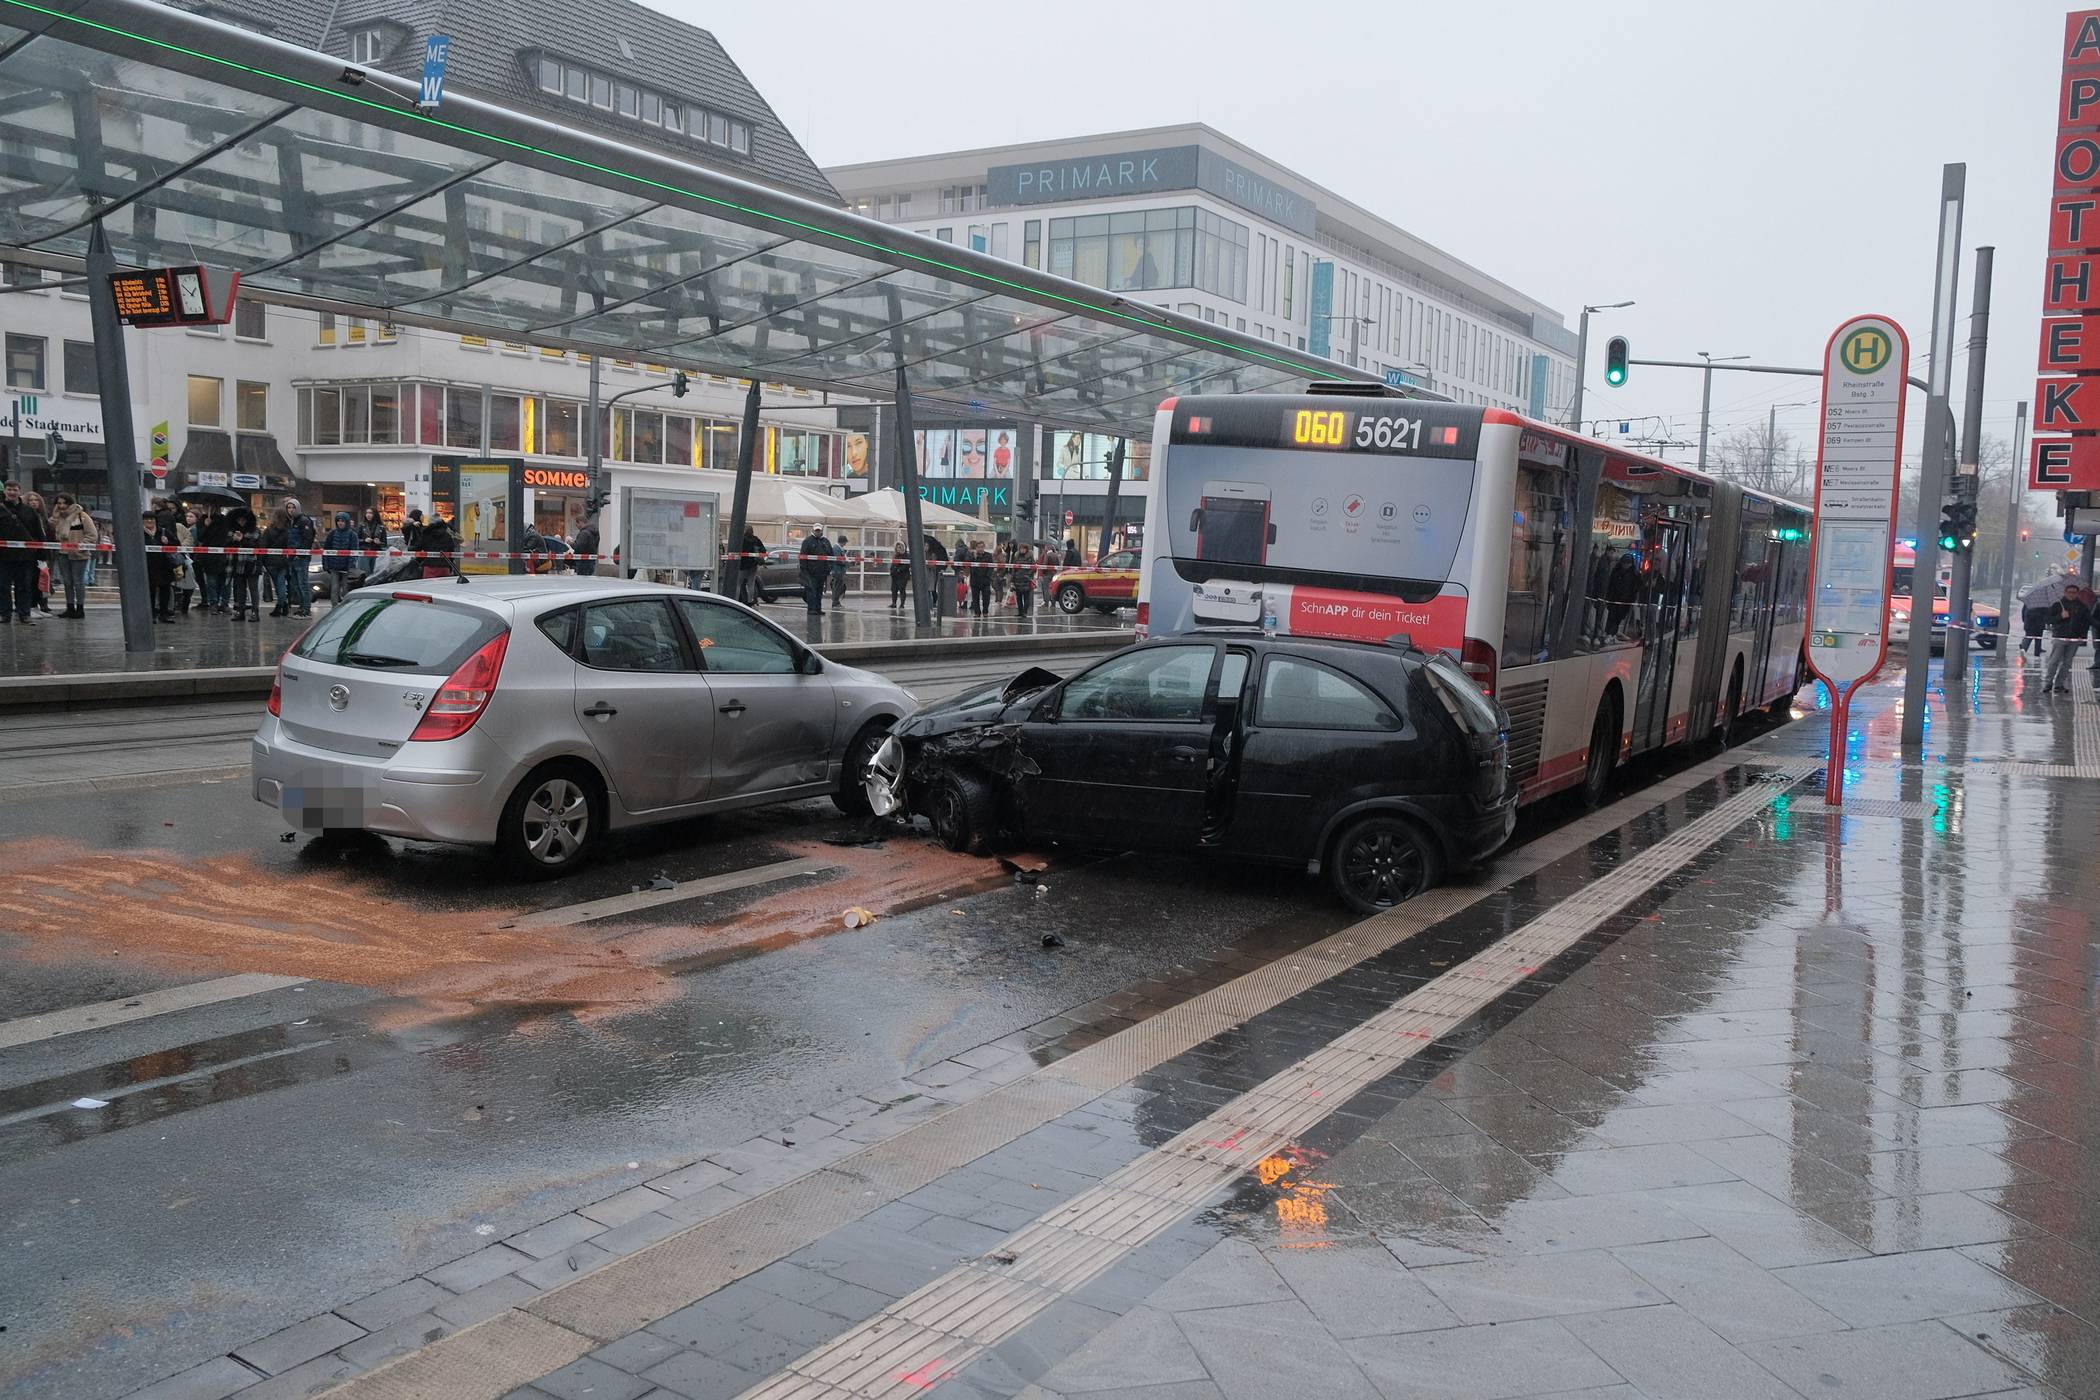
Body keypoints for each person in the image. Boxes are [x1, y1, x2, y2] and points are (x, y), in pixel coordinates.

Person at [46, 491, 95, 618]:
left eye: (64, 503)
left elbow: (92, 534)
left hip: (79, 555)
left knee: (78, 582)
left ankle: (80, 608)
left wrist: (80, 546)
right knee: (67, 582)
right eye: (59, 503)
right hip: (63, 553)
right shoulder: (60, 517)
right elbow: (51, 527)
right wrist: (55, 515)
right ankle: (69, 607)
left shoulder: (81, 516)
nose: (62, 506)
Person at [0, 480, 42, 624]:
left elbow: (38, 532)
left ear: (19, 491)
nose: (12, 492)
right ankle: (5, 613)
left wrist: (42, 555)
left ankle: (24, 613)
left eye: (15, 489)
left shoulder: (29, 511)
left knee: (24, 585)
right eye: (9, 489)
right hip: (3, 556)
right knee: (3, 586)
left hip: (25, 556)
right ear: (5, 491)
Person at [2042, 585, 2093, 694]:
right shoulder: (2057, 605)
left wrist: (2082, 636)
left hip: (2074, 639)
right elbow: (2048, 619)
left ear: (2077, 593)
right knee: (2054, 661)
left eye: (2074, 592)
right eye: (2069, 592)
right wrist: (2060, 616)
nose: (2071, 594)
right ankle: (2048, 683)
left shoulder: (2082, 607)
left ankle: (2059, 684)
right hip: (2060, 636)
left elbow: (2087, 622)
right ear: (2065, 592)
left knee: (2067, 663)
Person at [196, 506, 232, 615]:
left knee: (225, 582)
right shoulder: (202, 520)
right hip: (209, 556)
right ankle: (213, 604)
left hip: (223, 555)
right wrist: (206, 526)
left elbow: (227, 536)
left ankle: (224, 604)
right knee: (211, 582)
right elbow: (200, 537)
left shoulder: (224, 520)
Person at [227, 509, 262, 621]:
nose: (241, 522)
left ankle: (255, 612)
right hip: (237, 563)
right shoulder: (232, 531)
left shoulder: (255, 531)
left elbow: (256, 547)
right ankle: (240, 611)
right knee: (240, 588)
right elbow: (226, 544)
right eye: (239, 520)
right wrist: (233, 539)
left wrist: (242, 539)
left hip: (252, 563)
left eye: (243, 520)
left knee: (253, 588)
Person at [144, 509, 178, 622]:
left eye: (152, 519)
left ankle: (164, 614)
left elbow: (177, 544)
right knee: (150, 591)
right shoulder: (139, 533)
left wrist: (167, 542)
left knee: (165, 590)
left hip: (164, 566)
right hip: (148, 566)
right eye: (147, 519)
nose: (149, 521)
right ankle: (151, 614)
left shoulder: (163, 532)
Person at [283, 498, 316, 617]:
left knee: (303, 584)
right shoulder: (291, 521)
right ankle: (302, 606)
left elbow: (308, 538)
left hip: (301, 557)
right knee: (296, 585)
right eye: (289, 508)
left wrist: (299, 553)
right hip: (292, 556)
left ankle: (306, 608)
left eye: (293, 507)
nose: (291, 510)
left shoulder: (303, 520)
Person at [23, 491, 54, 613]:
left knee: (44, 578)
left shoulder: (45, 518)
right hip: (30, 552)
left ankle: (43, 602)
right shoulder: (24, 516)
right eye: (30, 500)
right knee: (30, 579)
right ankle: (31, 603)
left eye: (36, 500)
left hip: (44, 553)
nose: (33, 502)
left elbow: (49, 534)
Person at [322, 511, 361, 603]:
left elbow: (354, 551)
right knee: (334, 589)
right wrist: (326, 564)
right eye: (338, 521)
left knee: (345, 589)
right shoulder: (332, 534)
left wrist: (350, 565)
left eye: (342, 521)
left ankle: (345, 607)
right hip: (334, 566)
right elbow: (326, 550)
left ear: (346, 522)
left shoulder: (352, 535)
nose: (340, 523)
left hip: (346, 567)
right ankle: (334, 607)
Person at [798, 526, 836, 615]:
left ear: (822, 531)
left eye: (819, 530)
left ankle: (818, 609)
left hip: (822, 572)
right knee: (811, 591)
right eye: (816, 530)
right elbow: (802, 557)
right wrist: (804, 571)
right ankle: (811, 609)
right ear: (813, 531)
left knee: (819, 592)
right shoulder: (807, 541)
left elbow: (831, 555)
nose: (818, 532)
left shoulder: (825, 541)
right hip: (811, 573)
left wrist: (829, 568)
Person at [171, 506, 199, 616]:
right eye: (187, 516)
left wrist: (181, 547)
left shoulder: (185, 528)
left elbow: (190, 540)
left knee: (187, 581)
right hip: (179, 558)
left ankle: (183, 605)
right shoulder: (183, 527)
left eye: (191, 516)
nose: (188, 518)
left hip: (185, 558)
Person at [735, 526, 764, 602]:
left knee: (738, 584)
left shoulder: (742, 539)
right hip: (753, 565)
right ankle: (750, 600)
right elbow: (763, 550)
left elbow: (737, 550)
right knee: (751, 584)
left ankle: (736, 601)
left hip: (743, 565)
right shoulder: (756, 539)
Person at [968, 539, 994, 617]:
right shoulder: (973, 556)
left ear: (984, 547)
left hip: (985, 580)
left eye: (982, 547)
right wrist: (973, 556)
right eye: (978, 547)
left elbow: (991, 567)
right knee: (975, 598)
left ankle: (985, 611)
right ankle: (977, 612)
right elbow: (966, 563)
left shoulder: (988, 556)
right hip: (975, 580)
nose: (980, 549)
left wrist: (987, 577)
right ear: (976, 548)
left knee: (986, 597)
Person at [1011, 541, 1036, 618]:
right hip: (1018, 580)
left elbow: (1034, 567)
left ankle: (1024, 612)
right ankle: (1020, 612)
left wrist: (1028, 575)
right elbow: (1014, 568)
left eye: (1024, 548)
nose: (1022, 550)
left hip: (1026, 580)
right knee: (1019, 598)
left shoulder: (1030, 557)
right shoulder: (1016, 556)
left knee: (1026, 597)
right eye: (1021, 548)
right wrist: (1013, 579)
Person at [889, 541, 911, 609]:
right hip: (895, 576)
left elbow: (906, 565)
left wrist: (898, 570)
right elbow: (893, 564)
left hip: (903, 576)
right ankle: (894, 603)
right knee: (894, 589)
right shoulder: (895, 555)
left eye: (900, 547)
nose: (898, 549)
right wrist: (892, 571)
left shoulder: (906, 555)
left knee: (902, 589)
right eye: (897, 547)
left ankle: (902, 604)